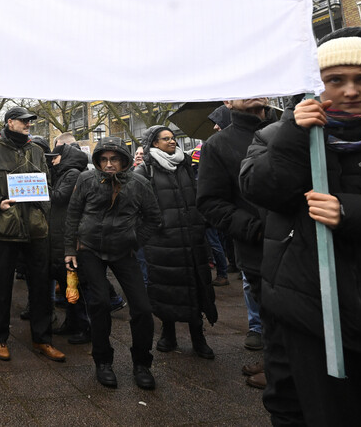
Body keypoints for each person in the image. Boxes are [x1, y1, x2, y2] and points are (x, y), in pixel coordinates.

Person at [240, 37, 361, 426]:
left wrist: (354, 212)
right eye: (334, 79)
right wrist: (295, 136)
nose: (349, 90)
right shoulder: (277, 133)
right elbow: (262, 191)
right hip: (316, 307)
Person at [197, 97, 280, 391]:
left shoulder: (291, 128)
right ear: (228, 101)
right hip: (258, 248)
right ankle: (279, 366)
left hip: (304, 242)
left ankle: (282, 364)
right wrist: (255, 229)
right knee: (271, 310)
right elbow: (210, 201)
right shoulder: (218, 145)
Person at [65, 136, 160, 390]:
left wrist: (134, 240)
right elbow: (73, 215)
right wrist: (68, 250)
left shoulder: (139, 183)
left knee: (141, 307)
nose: (109, 164)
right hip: (90, 249)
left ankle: (142, 364)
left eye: (114, 159)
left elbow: (153, 218)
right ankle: (103, 361)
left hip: (123, 250)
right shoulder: (86, 180)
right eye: (104, 159)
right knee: (99, 303)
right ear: (97, 161)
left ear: (124, 160)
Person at [0, 106, 65, 363]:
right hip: (6, 229)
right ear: (10, 122)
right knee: (2, 286)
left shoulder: (36, 150)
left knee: (40, 286)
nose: (28, 124)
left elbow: (46, 183)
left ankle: (42, 339)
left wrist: (43, 207)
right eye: (24, 121)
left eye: (30, 121)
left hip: (37, 228)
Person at [135, 126, 217, 360]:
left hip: (192, 239)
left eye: (173, 138)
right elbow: (137, 208)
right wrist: (154, 228)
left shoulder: (185, 165)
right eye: (166, 139)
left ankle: (198, 337)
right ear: (154, 143)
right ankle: (167, 332)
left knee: (196, 286)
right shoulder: (144, 170)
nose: (172, 142)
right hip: (163, 242)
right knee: (166, 288)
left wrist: (199, 221)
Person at [47, 142, 92, 344]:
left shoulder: (72, 174)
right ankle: (72, 323)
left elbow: (59, 197)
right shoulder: (65, 174)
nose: (52, 161)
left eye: (55, 157)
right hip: (60, 233)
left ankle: (85, 327)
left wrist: (38, 186)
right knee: (68, 283)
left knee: (76, 284)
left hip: (68, 234)